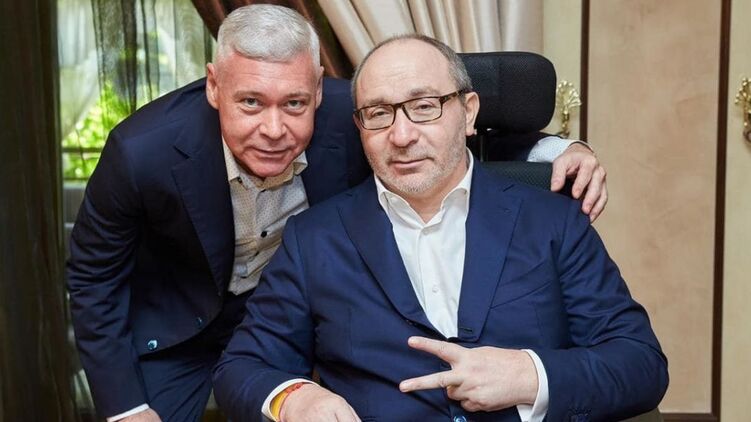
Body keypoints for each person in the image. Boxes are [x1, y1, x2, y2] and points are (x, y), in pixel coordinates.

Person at [67, 5, 607, 422]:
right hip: (181, 323)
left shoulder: (364, 118)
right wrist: (125, 407)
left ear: (319, 91)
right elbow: (94, 278)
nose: (274, 129)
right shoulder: (141, 152)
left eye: (295, 104)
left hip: (294, 308)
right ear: (214, 87)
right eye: (250, 102)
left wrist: (556, 150)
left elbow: (446, 134)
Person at [212, 34, 668, 422]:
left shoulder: (552, 220)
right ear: (359, 126)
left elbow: (641, 363)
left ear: (468, 112)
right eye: (378, 113)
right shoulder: (314, 238)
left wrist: (531, 376)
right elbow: (242, 367)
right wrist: (296, 398)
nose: (402, 135)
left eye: (424, 107)